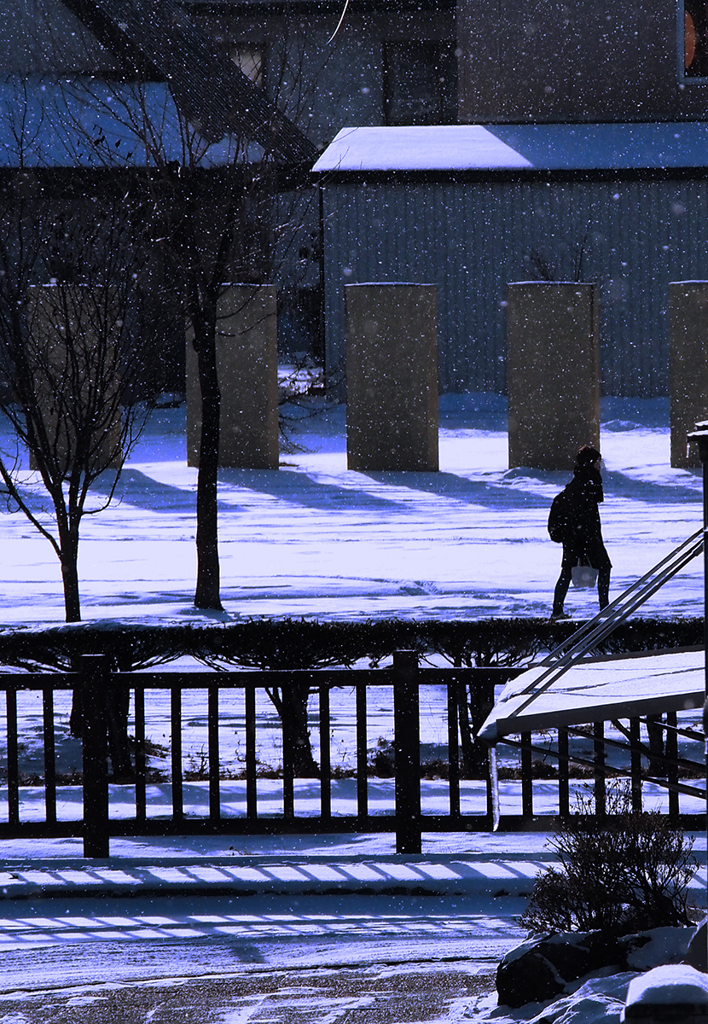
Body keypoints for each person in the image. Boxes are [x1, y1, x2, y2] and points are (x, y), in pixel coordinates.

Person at [550, 444, 611, 621]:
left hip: (574, 536)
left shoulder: (578, 481)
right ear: (591, 463)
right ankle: (604, 608)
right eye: (598, 462)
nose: (600, 466)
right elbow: (587, 508)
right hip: (586, 536)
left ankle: (557, 610)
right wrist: (585, 536)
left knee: (567, 571)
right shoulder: (589, 480)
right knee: (604, 567)